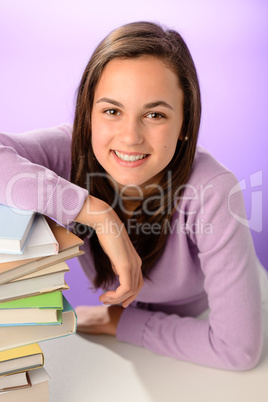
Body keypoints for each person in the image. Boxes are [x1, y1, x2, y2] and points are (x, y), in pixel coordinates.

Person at [0, 21, 265, 371]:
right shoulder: (70, 152)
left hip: (212, 316)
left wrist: (119, 323)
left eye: (155, 114)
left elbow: (238, 350)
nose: (130, 137)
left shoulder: (213, 191)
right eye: (112, 111)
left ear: (185, 123)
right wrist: (96, 213)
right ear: (89, 114)